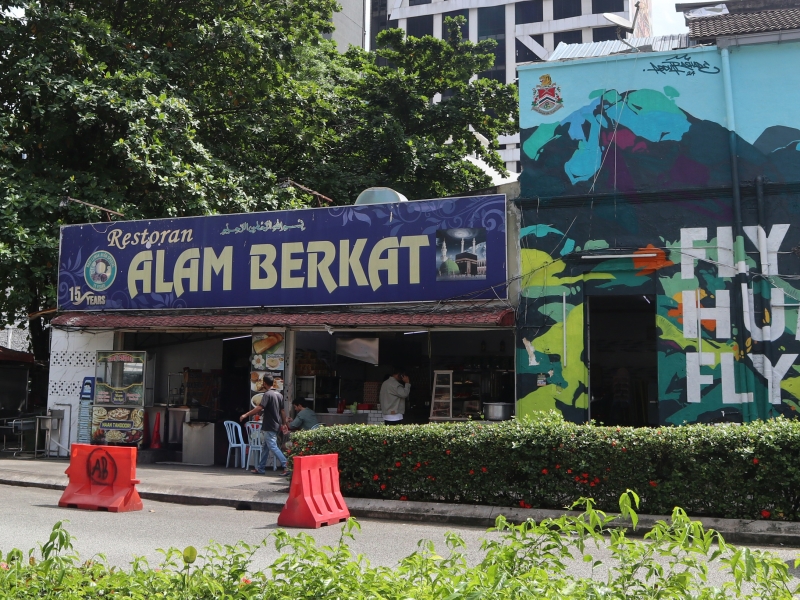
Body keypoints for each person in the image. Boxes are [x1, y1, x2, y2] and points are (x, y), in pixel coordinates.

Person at [240, 374, 290, 476]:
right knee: (265, 447)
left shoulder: (267, 394)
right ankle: (261, 468)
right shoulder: (279, 395)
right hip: (277, 424)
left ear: (264, 383)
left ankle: (287, 465)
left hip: (269, 424)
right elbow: (282, 411)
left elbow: (259, 408)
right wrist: (284, 423)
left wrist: (246, 414)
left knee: (272, 445)